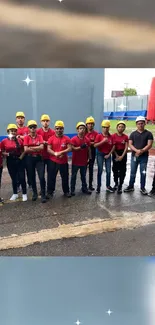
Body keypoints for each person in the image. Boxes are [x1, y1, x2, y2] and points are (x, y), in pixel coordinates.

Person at [124, 116, 153, 195]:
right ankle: (131, 186)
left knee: (143, 172)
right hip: (134, 156)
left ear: (145, 124)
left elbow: (149, 144)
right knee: (133, 172)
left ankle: (142, 187)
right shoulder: (133, 134)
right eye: (139, 123)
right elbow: (130, 144)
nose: (140, 125)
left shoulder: (148, 134)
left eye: (142, 123)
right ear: (136, 124)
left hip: (144, 157)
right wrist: (137, 151)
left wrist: (142, 150)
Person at [1, 124, 27, 201]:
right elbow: (2, 151)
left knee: (22, 177)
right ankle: (15, 193)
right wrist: (7, 154)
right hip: (10, 161)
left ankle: (24, 194)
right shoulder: (4, 141)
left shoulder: (19, 140)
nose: (13, 132)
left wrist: (20, 158)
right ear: (8, 131)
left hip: (19, 160)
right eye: (11, 130)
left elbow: (24, 150)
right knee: (14, 178)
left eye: (14, 131)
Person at [47, 120, 72, 197]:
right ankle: (50, 192)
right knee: (51, 177)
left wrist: (62, 153)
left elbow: (70, 148)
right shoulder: (51, 138)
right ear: (55, 129)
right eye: (57, 128)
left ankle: (66, 191)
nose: (59, 130)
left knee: (65, 177)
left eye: (60, 128)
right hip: (53, 161)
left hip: (63, 162)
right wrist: (55, 154)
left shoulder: (67, 138)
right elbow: (48, 149)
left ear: (63, 129)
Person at [24, 120, 46, 203]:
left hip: (39, 159)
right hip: (29, 159)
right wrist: (36, 147)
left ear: (36, 128)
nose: (32, 128)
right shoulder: (26, 137)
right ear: (28, 128)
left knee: (41, 177)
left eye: (34, 127)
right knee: (31, 177)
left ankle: (43, 194)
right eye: (31, 127)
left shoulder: (39, 136)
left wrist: (31, 148)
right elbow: (26, 150)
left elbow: (42, 147)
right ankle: (35, 193)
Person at [70, 122, 92, 196]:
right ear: (77, 130)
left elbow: (89, 149)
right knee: (73, 176)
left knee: (83, 176)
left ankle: (84, 188)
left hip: (84, 161)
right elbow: (72, 149)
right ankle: (72, 190)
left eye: (83, 128)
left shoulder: (87, 139)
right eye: (80, 128)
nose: (82, 130)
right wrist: (80, 147)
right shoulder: (73, 139)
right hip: (75, 161)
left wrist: (90, 158)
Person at [94, 120, 115, 193]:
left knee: (108, 171)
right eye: (104, 127)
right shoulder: (99, 136)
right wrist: (102, 141)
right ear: (102, 127)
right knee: (100, 170)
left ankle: (108, 186)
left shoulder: (111, 137)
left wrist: (109, 154)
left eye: (107, 127)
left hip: (108, 154)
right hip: (100, 154)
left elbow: (113, 146)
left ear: (109, 128)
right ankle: (98, 186)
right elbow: (95, 145)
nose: (105, 129)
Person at [37, 114, 55, 197]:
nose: (45, 123)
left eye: (47, 121)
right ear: (41, 122)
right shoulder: (37, 132)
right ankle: (43, 189)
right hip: (41, 156)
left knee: (50, 174)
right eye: (43, 121)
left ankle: (50, 191)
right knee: (41, 175)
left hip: (50, 157)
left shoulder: (53, 132)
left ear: (49, 122)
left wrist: (46, 143)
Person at [16, 111, 31, 190]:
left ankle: (30, 184)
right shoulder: (14, 129)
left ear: (24, 119)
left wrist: (20, 137)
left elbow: (29, 138)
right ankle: (18, 185)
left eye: (22, 118)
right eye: (18, 118)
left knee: (29, 170)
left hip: (27, 153)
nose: (20, 120)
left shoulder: (27, 129)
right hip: (18, 154)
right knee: (19, 171)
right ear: (16, 120)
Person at [112, 121, 128, 194]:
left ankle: (120, 185)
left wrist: (122, 156)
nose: (121, 128)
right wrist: (116, 155)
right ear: (117, 127)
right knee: (115, 169)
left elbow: (126, 147)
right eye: (119, 127)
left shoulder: (125, 137)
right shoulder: (113, 136)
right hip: (115, 153)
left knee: (122, 170)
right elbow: (113, 147)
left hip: (123, 154)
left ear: (124, 128)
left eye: (122, 127)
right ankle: (116, 183)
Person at [85, 116, 98, 191]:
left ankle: (90, 184)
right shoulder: (84, 132)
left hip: (92, 153)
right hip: (83, 153)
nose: (90, 125)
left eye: (92, 124)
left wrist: (88, 143)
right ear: (86, 125)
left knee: (90, 169)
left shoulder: (96, 133)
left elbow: (95, 143)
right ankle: (84, 185)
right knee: (83, 170)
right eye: (89, 124)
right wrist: (91, 143)